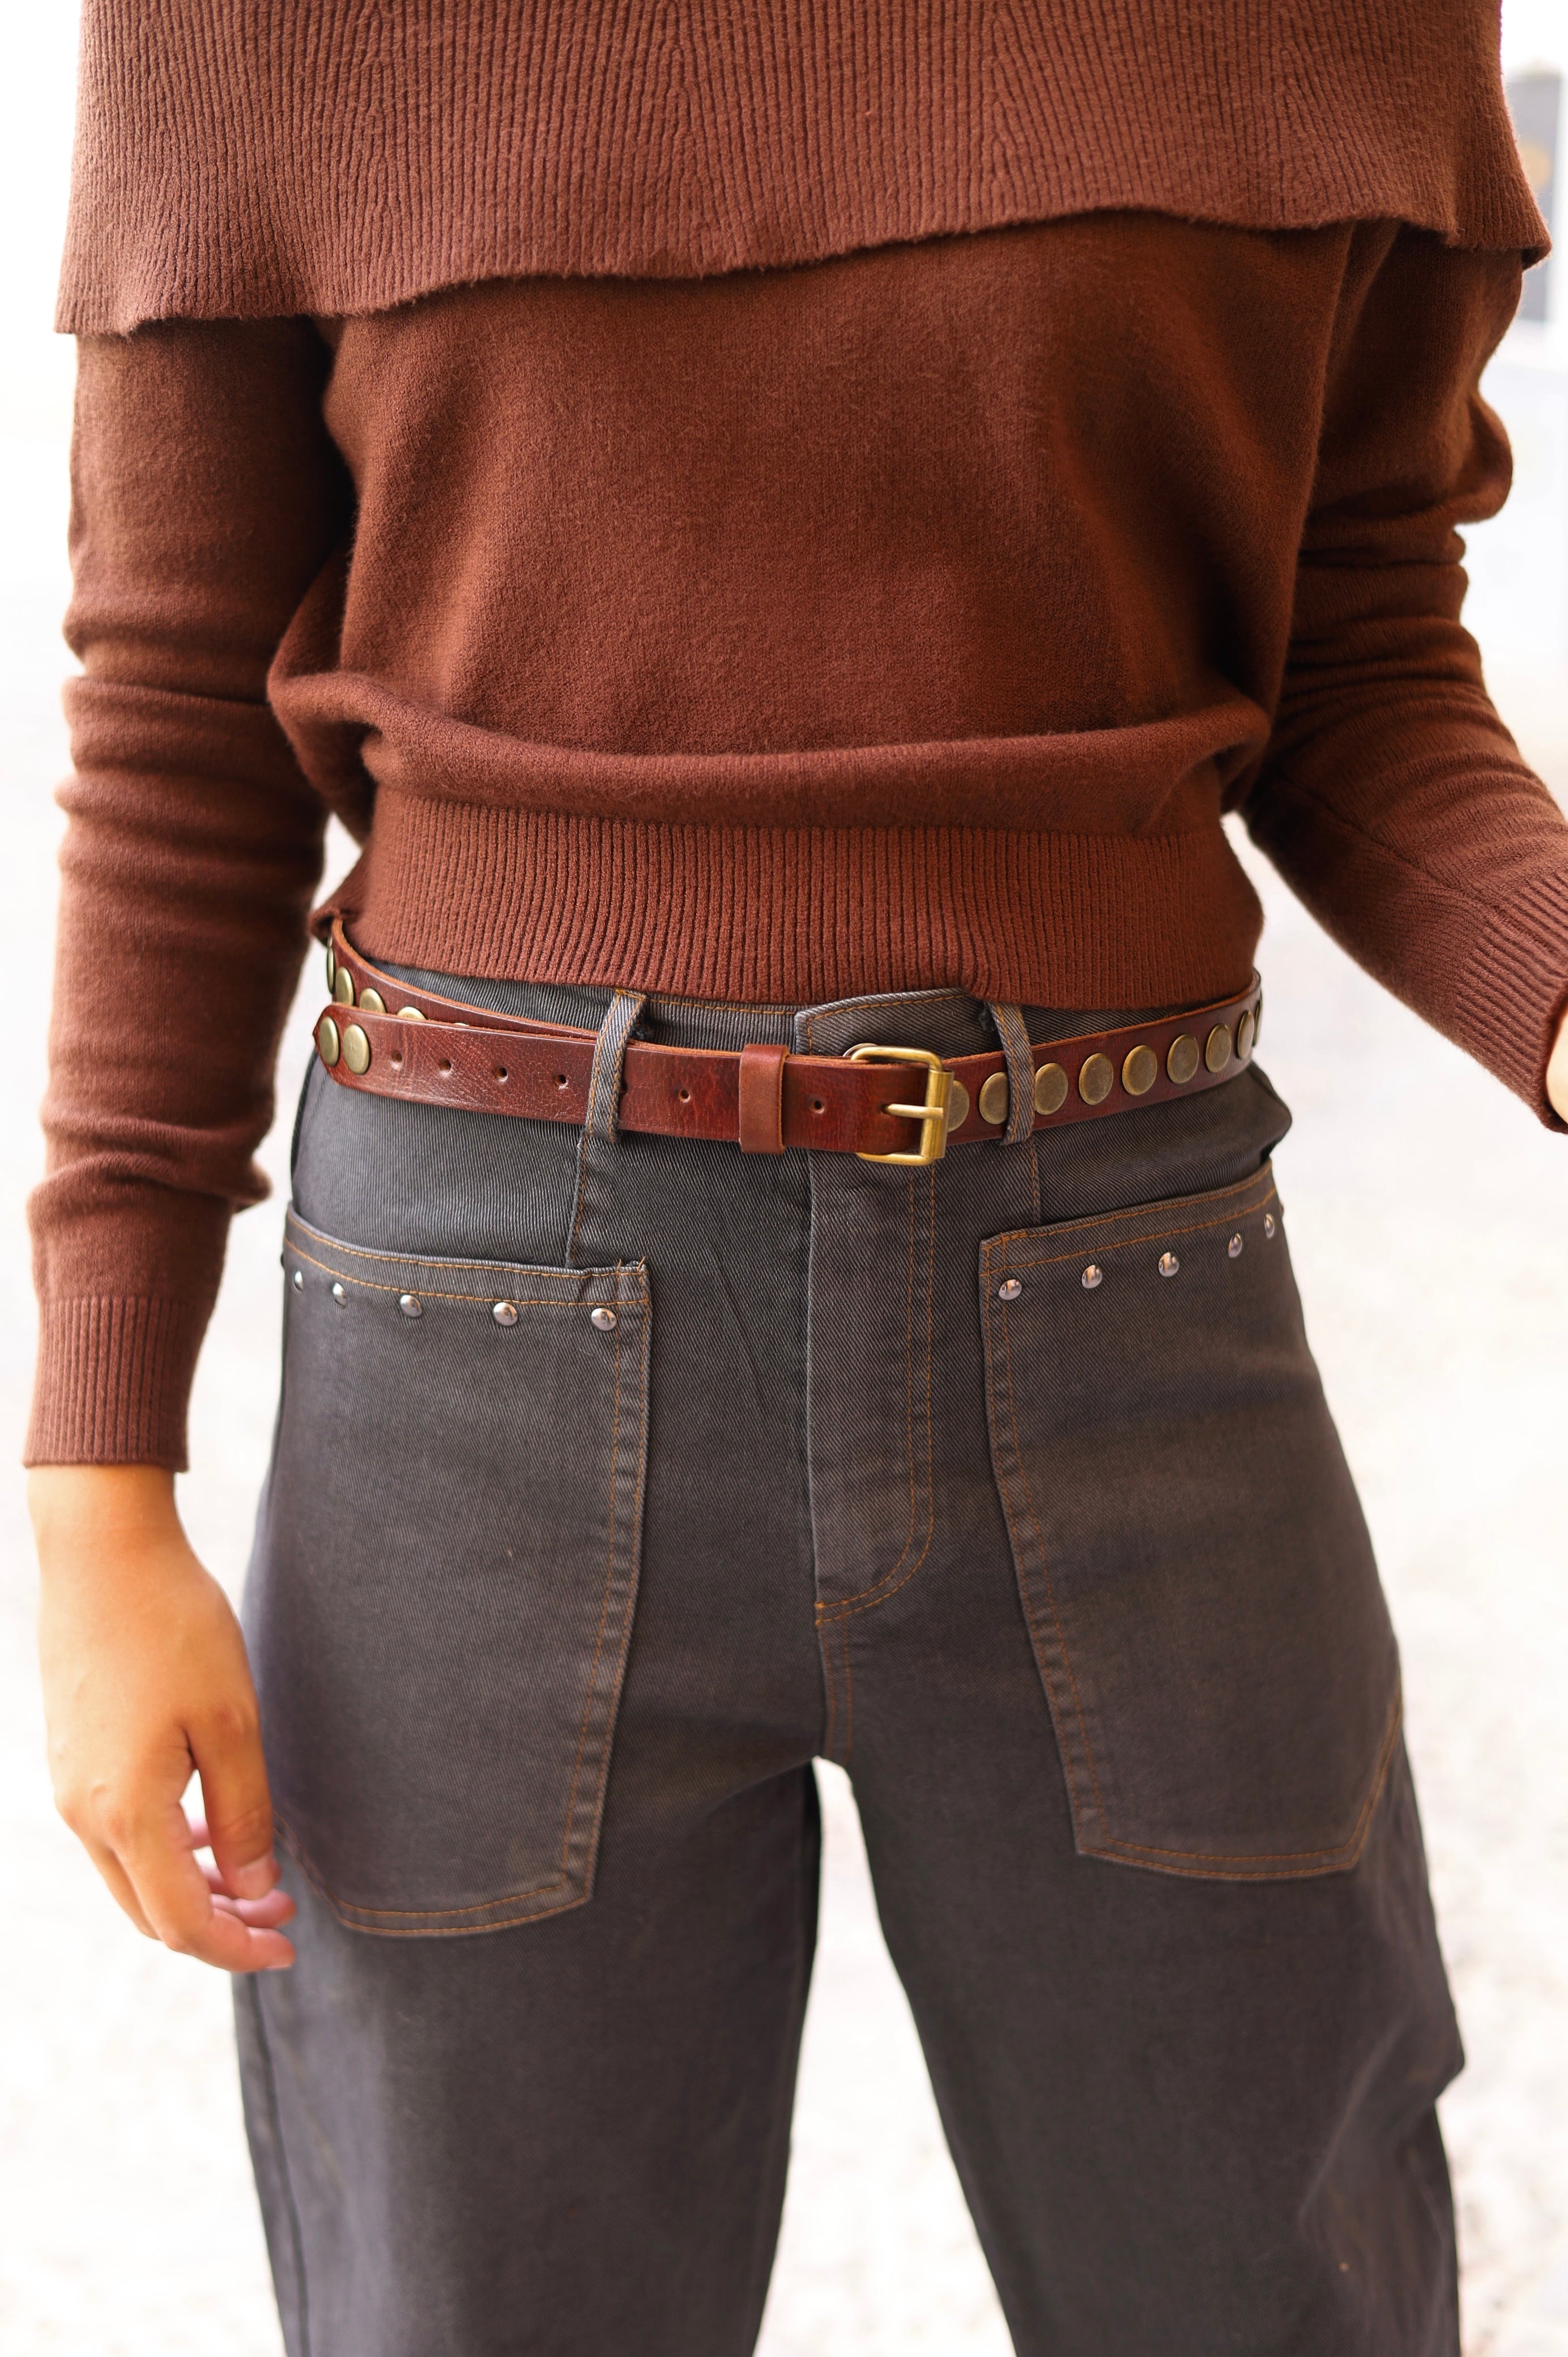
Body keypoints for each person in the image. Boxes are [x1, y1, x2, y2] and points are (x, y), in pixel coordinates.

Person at [25, 5, 1568, 2352]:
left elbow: (1350, 642)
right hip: (476, 1353)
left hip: (1124, 1302)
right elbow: (173, 707)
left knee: (1275, 2294)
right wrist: (94, 1485)